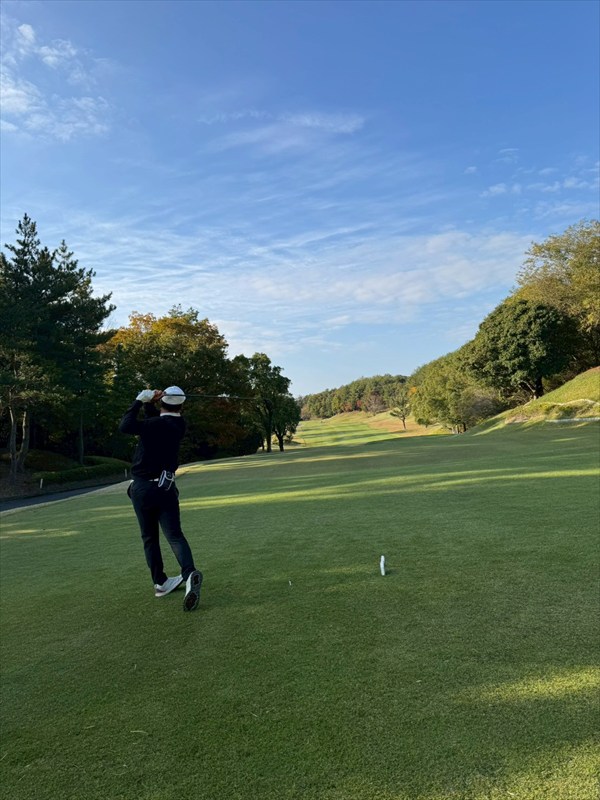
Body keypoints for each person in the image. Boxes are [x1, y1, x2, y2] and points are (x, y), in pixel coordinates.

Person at [119, 386, 202, 612]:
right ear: (181, 406)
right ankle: (189, 573)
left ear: (163, 402)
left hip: (142, 489)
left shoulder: (155, 425)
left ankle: (160, 583)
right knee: (175, 535)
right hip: (165, 488)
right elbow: (156, 421)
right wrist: (151, 404)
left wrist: (140, 400)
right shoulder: (178, 425)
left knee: (150, 538)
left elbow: (125, 425)